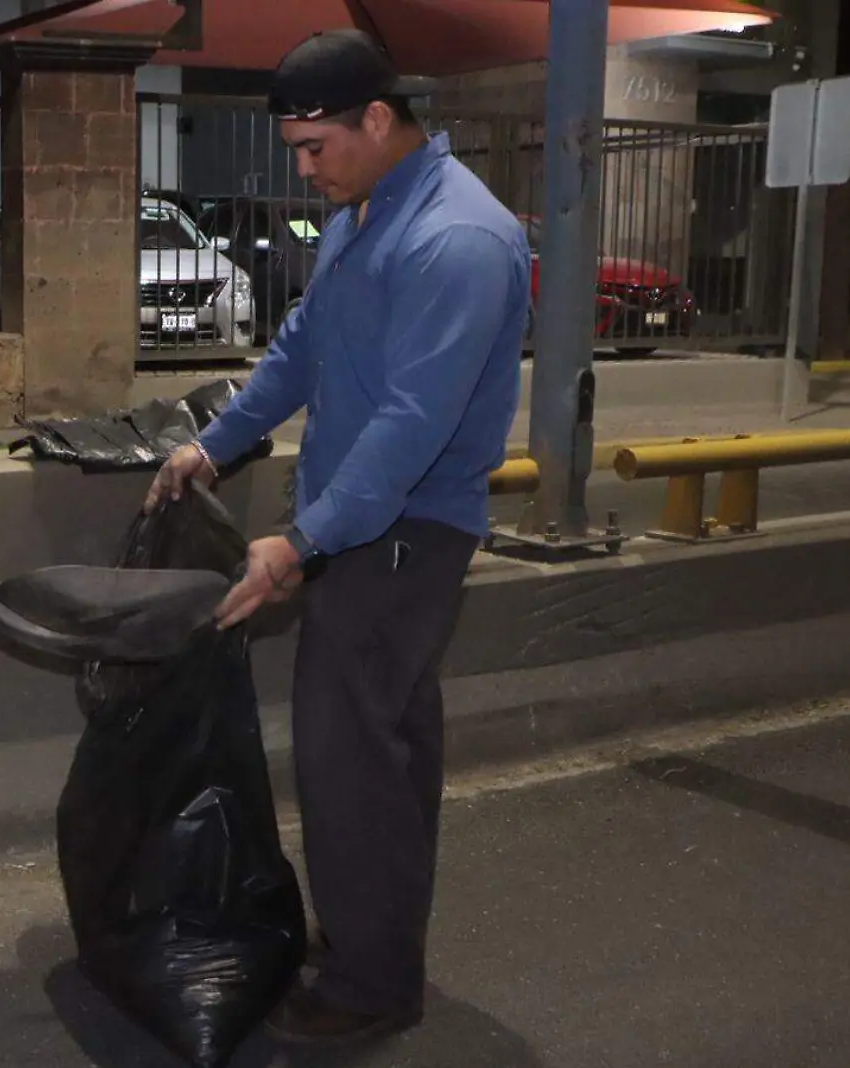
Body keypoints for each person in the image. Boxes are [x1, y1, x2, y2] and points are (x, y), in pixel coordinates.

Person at [145, 29, 531, 1045]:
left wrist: (298, 544)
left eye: (316, 146)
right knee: (385, 753)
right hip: (361, 523)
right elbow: (304, 346)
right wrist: (215, 445)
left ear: (377, 118)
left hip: (400, 535)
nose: (304, 169)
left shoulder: (456, 240)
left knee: (347, 759)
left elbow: (411, 426)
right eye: (295, 150)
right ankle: (374, 940)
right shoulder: (371, 214)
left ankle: (369, 987)